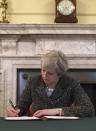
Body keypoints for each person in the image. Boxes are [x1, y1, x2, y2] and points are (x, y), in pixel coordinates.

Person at [7, 50, 95, 117]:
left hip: (63, 127)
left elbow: (89, 109)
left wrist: (58, 111)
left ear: (59, 74)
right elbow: (21, 107)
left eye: (50, 73)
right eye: (43, 70)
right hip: (38, 126)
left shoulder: (71, 83)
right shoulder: (33, 82)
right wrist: (15, 112)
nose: (45, 75)